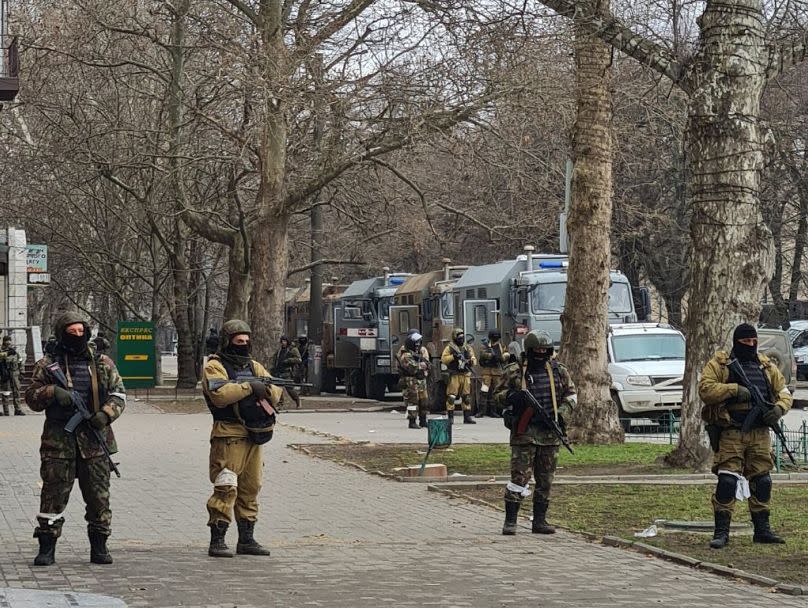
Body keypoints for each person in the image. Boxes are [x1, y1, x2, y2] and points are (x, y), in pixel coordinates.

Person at [25, 311, 126, 566]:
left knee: (99, 498)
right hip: (59, 442)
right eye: (72, 332)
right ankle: (47, 546)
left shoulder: (102, 363)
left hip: (94, 441)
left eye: (82, 331)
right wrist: (52, 391)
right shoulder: (48, 364)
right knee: (52, 497)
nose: (78, 336)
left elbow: (119, 394)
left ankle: (99, 546)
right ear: (62, 334)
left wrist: (105, 414)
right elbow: (31, 398)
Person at [699, 323, 792, 549]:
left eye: (754, 341)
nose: (751, 345)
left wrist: (779, 409)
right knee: (728, 481)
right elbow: (705, 389)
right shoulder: (720, 364)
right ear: (737, 342)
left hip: (759, 433)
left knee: (763, 481)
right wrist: (733, 389)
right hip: (731, 431)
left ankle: (762, 531)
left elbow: (785, 392)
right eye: (746, 342)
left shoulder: (766, 366)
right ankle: (721, 533)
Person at [202, 320, 283, 558]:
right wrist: (250, 386)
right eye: (239, 341)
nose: (244, 345)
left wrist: (265, 389)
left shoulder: (254, 365)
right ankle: (217, 539)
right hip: (228, 435)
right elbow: (220, 395)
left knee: (251, 487)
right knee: (226, 486)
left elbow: (275, 390)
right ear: (228, 342)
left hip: (254, 434)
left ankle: (246, 539)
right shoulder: (215, 366)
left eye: (247, 341)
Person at [496, 330, 576, 535]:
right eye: (537, 350)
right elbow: (496, 396)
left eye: (545, 350)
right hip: (524, 434)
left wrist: (562, 414)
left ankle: (539, 521)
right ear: (529, 350)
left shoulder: (559, 371)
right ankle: (511, 521)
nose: (541, 353)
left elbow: (572, 395)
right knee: (519, 478)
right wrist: (513, 397)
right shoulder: (514, 371)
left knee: (545, 479)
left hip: (550, 433)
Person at [440, 328, 477, 424]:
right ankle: (450, 417)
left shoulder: (467, 348)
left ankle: (467, 417)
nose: (461, 339)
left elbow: (473, 358)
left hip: (465, 374)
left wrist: (471, 361)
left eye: (462, 337)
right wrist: (453, 357)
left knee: (466, 397)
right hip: (454, 375)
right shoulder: (450, 348)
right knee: (451, 397)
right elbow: (444, 359)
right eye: (459, 337)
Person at [397, 331, 431, 429]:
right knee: (412, 402)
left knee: (424, 401)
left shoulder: (420, 352)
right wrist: (421, 366)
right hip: (411, 381)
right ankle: (412, 421)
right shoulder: (406, 354)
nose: (418, 345)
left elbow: (428, 364)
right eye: (416, 343)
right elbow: (412, 368)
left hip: (421, 381)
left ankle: (423, 421)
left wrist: (425, 365)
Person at [478, 330, 509, 418]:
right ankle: (481, 411)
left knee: (496, 391)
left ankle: (495, 411)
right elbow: (482, 355)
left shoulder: (502, 346)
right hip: (487, 371)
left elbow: (507, 354)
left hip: (497, 371)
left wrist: (502, 357)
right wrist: (491, 355)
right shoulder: (485, 345)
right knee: (484, 390)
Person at [271, 336, 302, 409]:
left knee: (290, 389)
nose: (283, 343)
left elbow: (299, 359)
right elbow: (275, 359)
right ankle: (280, 403)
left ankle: (297, 401)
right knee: (277, 389)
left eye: (285, 341)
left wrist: (289, 360)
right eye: (282, 341)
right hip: (278, 371)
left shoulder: (292, 349)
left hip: (287, 372)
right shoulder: (279, 350)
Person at [0, 335, 26, 416]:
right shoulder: (1, 351)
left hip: (15, 374)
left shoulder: (15, 352)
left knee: (16, 392)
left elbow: (20, 362)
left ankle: (18, 410)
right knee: (6, 393)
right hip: (5, 374)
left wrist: (22, 372)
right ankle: (6, 411)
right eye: (6, 341)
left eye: (9, 341)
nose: (8, 342)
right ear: (3, 342)